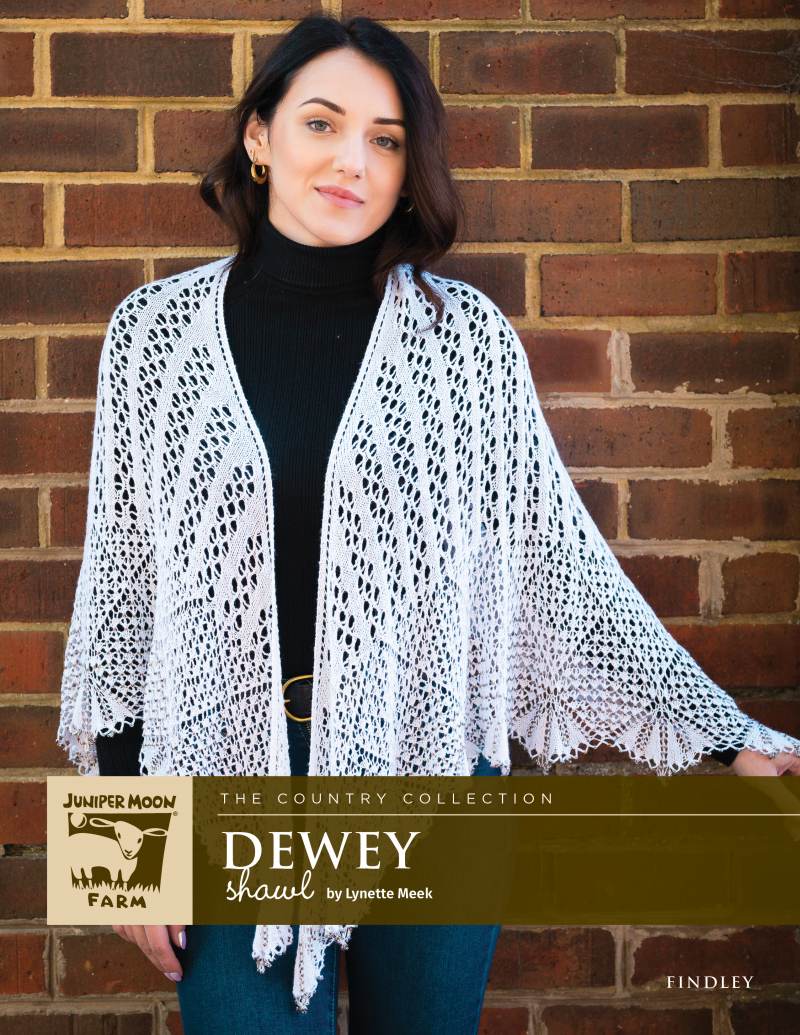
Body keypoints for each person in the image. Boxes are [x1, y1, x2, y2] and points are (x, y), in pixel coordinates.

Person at [57, 13, 800, 1035]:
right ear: (260, 136)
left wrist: (727, 741)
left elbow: (559, 572)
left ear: (410, 172)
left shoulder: (466, 344)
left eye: (387, 139)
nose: (351, 160)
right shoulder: (152, 336)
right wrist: (119, 863)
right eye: (321, 123)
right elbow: (119, 603)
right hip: (221, 785)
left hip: (435, 781)